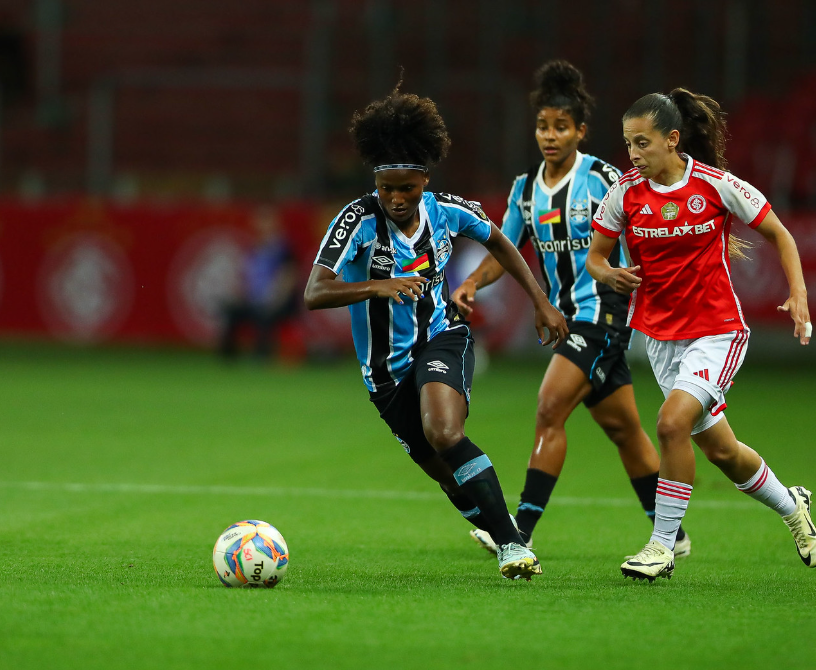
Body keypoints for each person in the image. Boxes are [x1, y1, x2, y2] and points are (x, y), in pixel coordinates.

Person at [303, 83, 569, 580]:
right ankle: (500, 529)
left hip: (441, 338)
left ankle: (513, 546)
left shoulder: (447, 210)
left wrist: (541, 301)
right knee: (445, 474)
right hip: (384, 375)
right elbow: (315, 292)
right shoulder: (356, 220)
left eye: (407, 187)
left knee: (444, 432)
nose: (396, 198)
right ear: (375, 182)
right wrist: (377, 286)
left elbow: (501, 242)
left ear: (425, 180)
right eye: (387, 188)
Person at [452, 60, 690, 556]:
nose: (550, 135)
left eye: (561, 126)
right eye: (543, 126)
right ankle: (675, 535)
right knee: (624, 429)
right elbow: (506, 252)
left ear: (580, 131)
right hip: (567, 319)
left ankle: (519, 531)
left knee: (549, 406)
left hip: (603, 313)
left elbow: (646, 223)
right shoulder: (524, 190)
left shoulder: (603, 178)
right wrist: (473, 281)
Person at [587, 89, 816, 581]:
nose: (633, 153)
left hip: (717, 332)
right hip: (659, 338)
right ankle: (792, 505)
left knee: (671, 423)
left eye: (642, 143)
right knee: (722, 452)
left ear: (672, 139)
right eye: (628, 143)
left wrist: (798, 293)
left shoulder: (715, 185)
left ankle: (661, 547)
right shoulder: (624, 193)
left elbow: (780, 233)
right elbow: (596, 257)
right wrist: (609, 274)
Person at [218, 207, 299, 360]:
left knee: (264, 315)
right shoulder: (254, 249)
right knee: (232, 311)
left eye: (265, 220)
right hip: (255, 300)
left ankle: (262, 355)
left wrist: (275, 300)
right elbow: (248, 278)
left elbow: (289, 277)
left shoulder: (284, 249)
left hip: (278, 301)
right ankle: (228, 357)